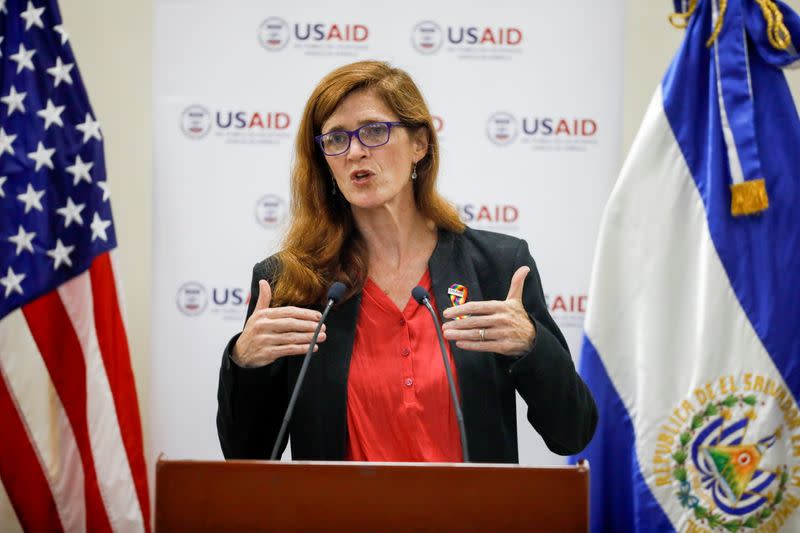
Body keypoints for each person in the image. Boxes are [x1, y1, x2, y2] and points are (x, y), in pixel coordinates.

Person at [216, 60, 597, 463]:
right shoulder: (293, 283)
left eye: (374, 131)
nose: (356, 151)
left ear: (420, 144)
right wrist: (245, 362)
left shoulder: (499, 268)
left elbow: (571, 433)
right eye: (335, 139)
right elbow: (247, 455)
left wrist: (531, 347)